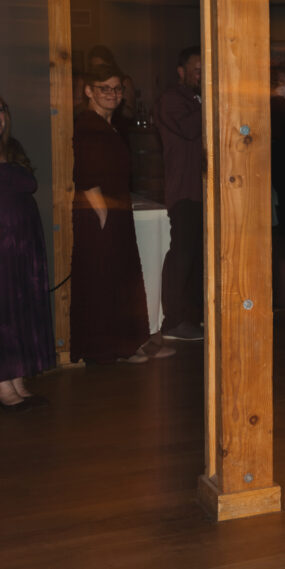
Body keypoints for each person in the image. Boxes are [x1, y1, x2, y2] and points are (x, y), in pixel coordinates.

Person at [71, 65, 173, 363]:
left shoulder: (110, 125)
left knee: (123, 277)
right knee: (106, 279)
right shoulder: (88, 126)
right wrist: (102, 213)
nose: (113, 94)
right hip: (100, 213)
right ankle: (111, 348)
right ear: (89, 91)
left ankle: (131, 342)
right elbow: (86, 174)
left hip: (116, 209)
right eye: (105, 88)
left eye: (117, 89)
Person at [0, 96, 55, 410]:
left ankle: (17, 380)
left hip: (23, 244)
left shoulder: (14, 148)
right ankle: (3, 386)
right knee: (3, 310)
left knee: (19, 309)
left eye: (0, 110)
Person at [154, 47, 204, 342]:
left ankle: (192, 317)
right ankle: (173, 321)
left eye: (205, 70)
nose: (201, 75)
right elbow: (188, 128)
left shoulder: (197, 99)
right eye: (197, 70)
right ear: (181, 71)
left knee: (198, 259)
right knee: (182, 256)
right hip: (184, 190)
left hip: (204, 191)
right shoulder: (172, 100)